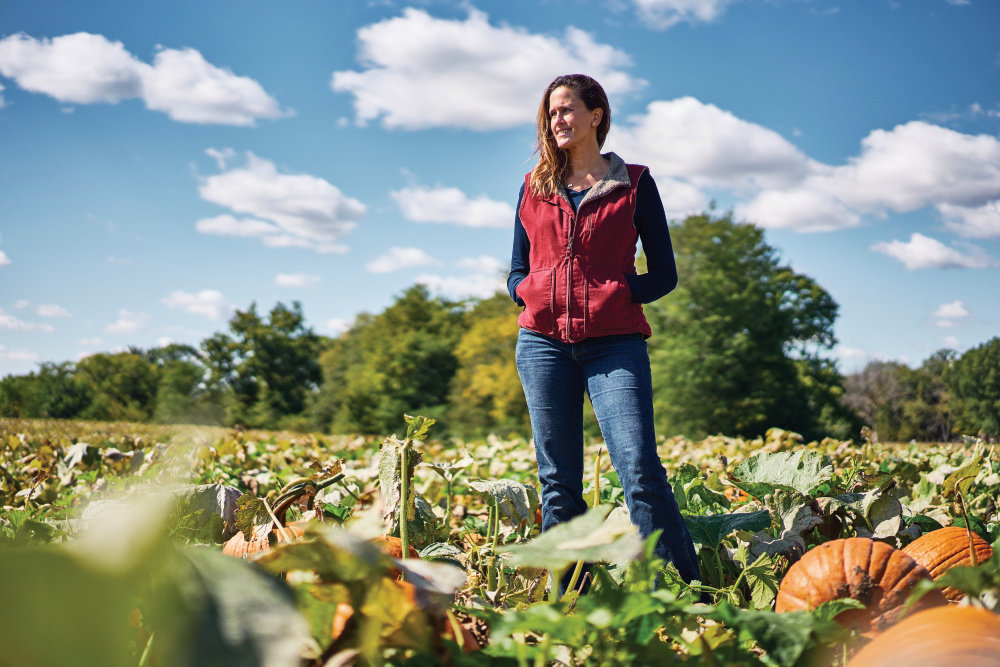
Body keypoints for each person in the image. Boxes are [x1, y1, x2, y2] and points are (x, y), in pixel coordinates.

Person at [507, 74, 700, 591]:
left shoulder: (635, 183)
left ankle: (677, 595)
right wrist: (531, 294)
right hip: (542, 345)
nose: (558, 121)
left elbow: (664, 272)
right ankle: (569, 597)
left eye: (567, 110)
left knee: (638, 468)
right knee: (557, 483)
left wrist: (616, 293)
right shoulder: (533, 187)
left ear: (597, 115)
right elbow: (515, 271)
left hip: (614, 344)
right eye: (551, 114)